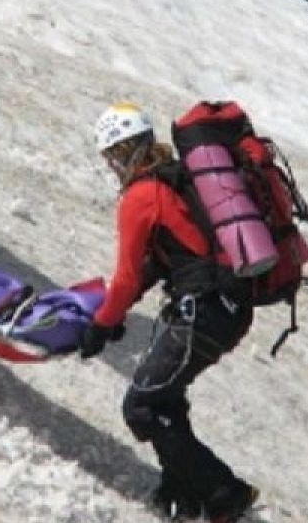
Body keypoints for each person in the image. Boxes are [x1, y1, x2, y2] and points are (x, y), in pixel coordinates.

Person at [78, 103, 259, 522]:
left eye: (114, 156)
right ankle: (180, 492)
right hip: (226, 307)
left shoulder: (141, 197)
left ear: (124, 152)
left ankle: (224, 493)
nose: (112, 166)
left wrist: (101, 326)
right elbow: (162, 261)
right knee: (165, 398)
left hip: (203, 312)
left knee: (142, 405)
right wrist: (115, 315)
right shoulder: (178, 181)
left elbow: (125, 278)